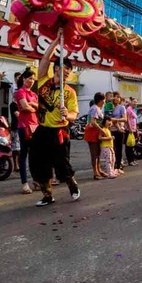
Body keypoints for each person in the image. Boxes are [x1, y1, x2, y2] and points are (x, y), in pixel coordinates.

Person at [30, 36, 81, 206]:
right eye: (65, 68)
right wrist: (57, 40)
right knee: (38, 163)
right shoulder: (43, 81)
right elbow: (45, 58)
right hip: (42, 129)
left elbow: (74, 114)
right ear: (57, 68)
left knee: (61, 163)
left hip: (60, 131)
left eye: (69, 70)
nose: (67, 72)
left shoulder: (70, 92)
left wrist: (67, 114)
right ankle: (47, 195)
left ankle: (71, 183)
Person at [15, 69, 38, 194]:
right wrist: (33, 107)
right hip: (24, 126)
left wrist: (32, 104)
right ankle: (24, 183)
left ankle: (36, 180)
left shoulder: (34, 94)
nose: (32, 81)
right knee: (24, 154)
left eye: (33, 79)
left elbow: (39, 107)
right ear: (24, 79)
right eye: (30, 78)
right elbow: (24, 107)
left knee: (34, 155)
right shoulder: (20, 92)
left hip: (35, 125)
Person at [86, 92, 108, 180]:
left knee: (98, 153)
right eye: (104, 100)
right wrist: (102, 130)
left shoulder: (98, 108)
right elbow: (93, 122)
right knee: (94, 154)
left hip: (96, 132)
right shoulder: (95, 108)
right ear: (101, 100)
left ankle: (99, 170)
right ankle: (95, 172)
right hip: (92, 132)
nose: (104, 102)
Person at [109, 95, 127, 172]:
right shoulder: (109, 106)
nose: (116, 98)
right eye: (114, 97)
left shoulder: (121, 107)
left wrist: (115, 120)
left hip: (119, 130)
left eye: (117, 97)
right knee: (112, 149)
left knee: (119, 149)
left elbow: (125, 119)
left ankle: (118, 166)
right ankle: (113, 165)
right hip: (111, 130)